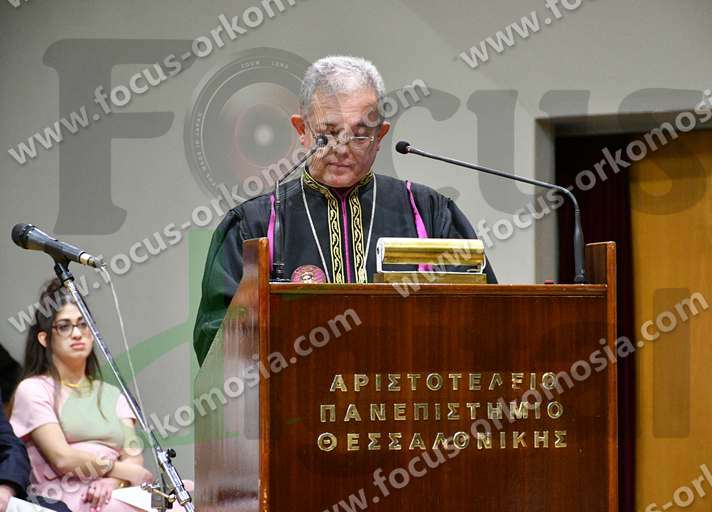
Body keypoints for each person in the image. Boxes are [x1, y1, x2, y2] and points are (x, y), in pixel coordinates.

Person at [193, 55, 497, 363]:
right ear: (301, 130)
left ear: (380, 136)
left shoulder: (428, 213)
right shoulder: (253, 225)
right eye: (327, 134)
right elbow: (215, 341)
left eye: (360, 134)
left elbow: (486, 316)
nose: (341, 148)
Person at [10, 280, 153, 512]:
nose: (77, 334)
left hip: (113, 491)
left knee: (188, 493)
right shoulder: (33, 389)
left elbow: (134, 457)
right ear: (44, 338)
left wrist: (112, 482)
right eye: (64, 326)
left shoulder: (113, 395)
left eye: (83, 324)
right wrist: (117, 469)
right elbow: (62, 458)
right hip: (64, 496)